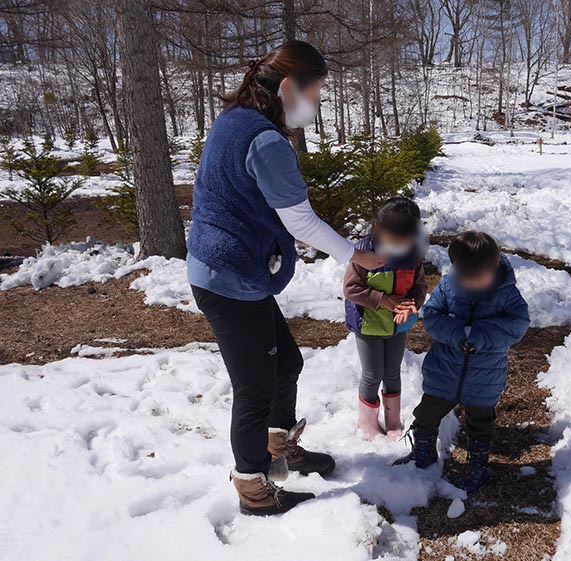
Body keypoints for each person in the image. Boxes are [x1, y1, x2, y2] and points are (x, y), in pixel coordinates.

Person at [187, 41, 385, 516]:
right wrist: (355, 257)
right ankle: (253, 487)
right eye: (315, 93)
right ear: (287, 88)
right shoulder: (266, 140)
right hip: (227, 277)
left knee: (286, 365)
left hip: (229, 267)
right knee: (255, 388)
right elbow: (300, 221)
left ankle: (276, 450)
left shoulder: (235, 118)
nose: (315, 104)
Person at [394, 231, 529, 493]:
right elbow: (432, 316)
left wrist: (479, 335)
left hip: (484, 376)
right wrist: (457, 334)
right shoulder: (448, 286)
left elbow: (517, 325)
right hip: (445, 370)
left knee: (480, 422)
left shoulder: (507, 294)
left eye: (479, 278)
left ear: (496, 264)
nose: (472, 284)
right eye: (466, 278)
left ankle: (479, 467)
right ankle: (423, 453)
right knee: (426, 413)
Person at [344, 197, 429, 440]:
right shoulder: (363, 253)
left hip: (397, 325)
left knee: (392, 371)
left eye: (405, 242)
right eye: (394, 241)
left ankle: (392, 420)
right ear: (379, 230)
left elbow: (419, 286)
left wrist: (412, 304)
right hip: (368, 324)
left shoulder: (413, 255)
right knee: (372, 374)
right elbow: (351, 289)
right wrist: (384, 300)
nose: (399, 247)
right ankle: (367, 421)